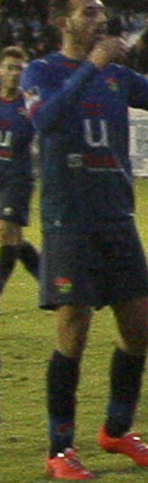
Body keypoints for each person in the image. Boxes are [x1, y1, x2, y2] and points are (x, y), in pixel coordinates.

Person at [23, 0, 148, 481]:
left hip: (117, 216)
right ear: (61, 21)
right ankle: (60, 449)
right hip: (70, 219)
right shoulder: (42, 71)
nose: (99, 20)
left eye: (102, 12)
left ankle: (116, 429)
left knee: (139, 329)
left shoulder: (118, 76)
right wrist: (91, 65)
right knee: (74, 331)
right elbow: (45, 121)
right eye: (88, 13)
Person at [0, 47, 43, 302]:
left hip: (17, 176)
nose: (15, 74)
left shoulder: (29, 104)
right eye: (9, 68)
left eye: (20, 69)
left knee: (6, 232)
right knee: (14, 238)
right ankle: (48, 279)